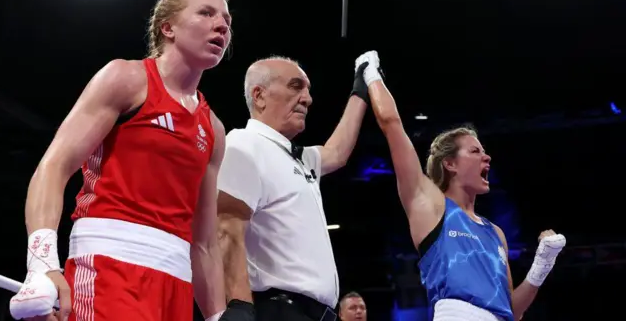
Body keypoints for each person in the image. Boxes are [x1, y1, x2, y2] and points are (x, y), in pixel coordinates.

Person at [9, 0, 253, 321]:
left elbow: (205, 242)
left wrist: (216, 316)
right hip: (111, 267)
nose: (222, 25)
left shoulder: (213, 129)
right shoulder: (126, 79)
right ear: (168, 27)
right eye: (206, 13)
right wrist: (42, 264)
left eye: (227, 19)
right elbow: (53, 168)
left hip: (176, 285)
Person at [355, 50, 566, 321]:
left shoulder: (496, 233)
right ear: (450, 164)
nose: (487, 156)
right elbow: (391, 124)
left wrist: (543, 262)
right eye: (475, 151)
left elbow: (513, 310)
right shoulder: (428, 204)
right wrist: (369, 72)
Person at [215, 56, 371, 321]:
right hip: (279, 310)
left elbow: (337, 152)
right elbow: (227, 227)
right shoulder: (244, 144)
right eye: (295, 86)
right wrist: (240, 307)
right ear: (260, 95)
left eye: (307, 89)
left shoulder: (298, 157)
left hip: (315, 314)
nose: (307, 98)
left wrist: (360, 92)